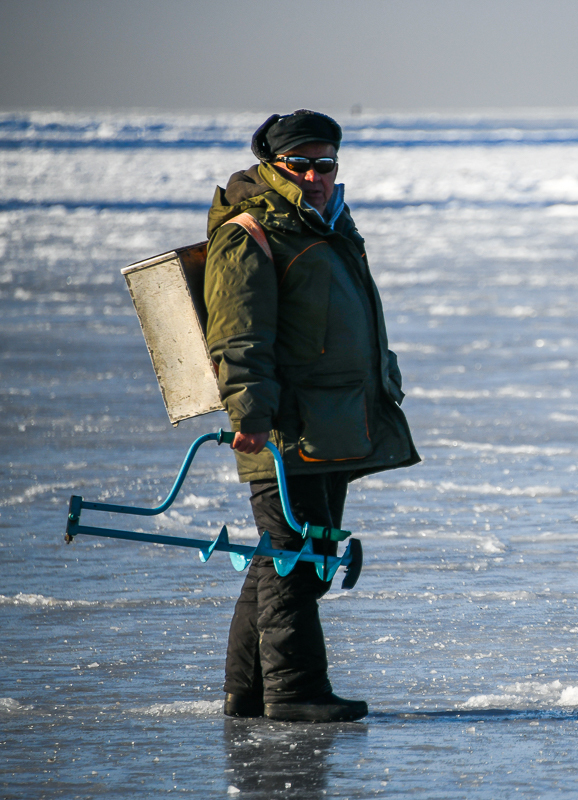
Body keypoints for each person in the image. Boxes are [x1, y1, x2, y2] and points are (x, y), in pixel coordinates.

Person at [204, 110, 419, 722]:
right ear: (274, 167)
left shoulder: (324, 225)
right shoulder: (251, 233)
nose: (316, 175)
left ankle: (245, 693)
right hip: (283, 425)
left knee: (293, 552)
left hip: (333, 421)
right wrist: (247, 409)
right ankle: (294, 692)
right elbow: (239, 333)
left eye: (326, 163)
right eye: (302, 164)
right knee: (299, 558)